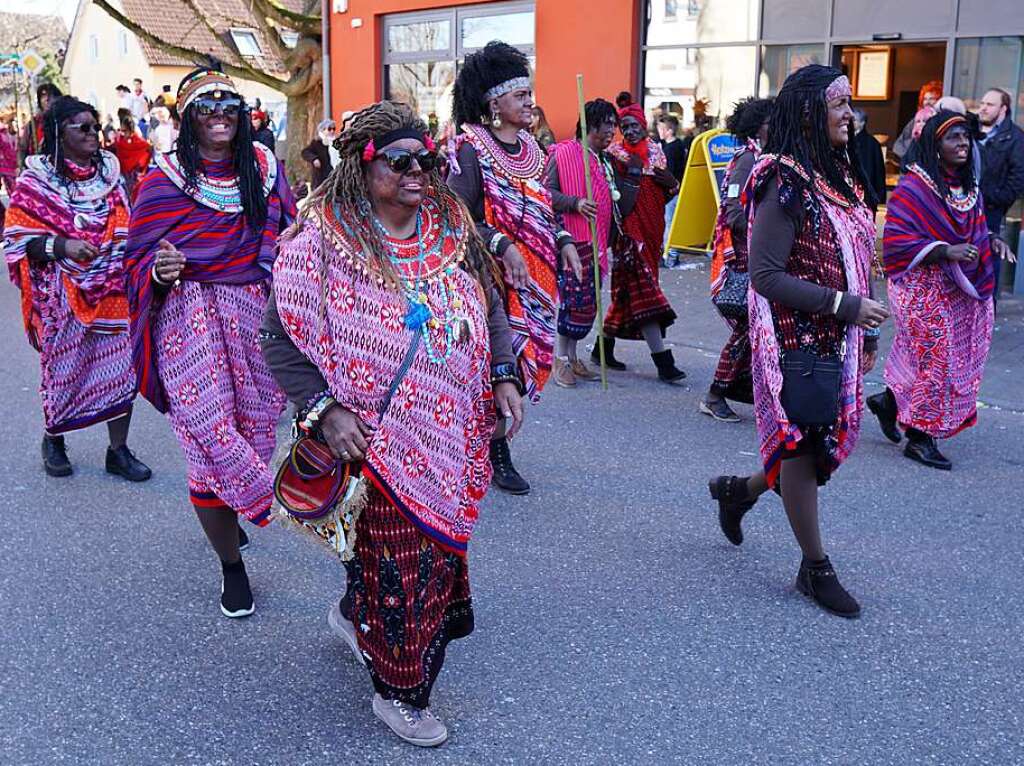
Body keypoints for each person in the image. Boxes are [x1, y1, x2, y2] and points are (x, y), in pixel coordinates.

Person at [261, 100, 521, 748]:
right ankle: (402, 694)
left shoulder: (447, 226)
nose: (418, 172)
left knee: (408, 559)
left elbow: (486, 301)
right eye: (401, 161)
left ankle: (355, 617)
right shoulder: (318, 242)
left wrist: (503, 371)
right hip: (371, 441)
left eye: (426, 160)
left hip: (450, 433)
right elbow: (279, 338)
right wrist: (324, 411)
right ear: (361, 166)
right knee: (408, 567)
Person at [707, 65, 890, 619]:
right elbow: (765, 275)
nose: (848, 114)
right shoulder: (780, 179)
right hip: (793, 336)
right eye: (838, 104)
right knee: (803, 444)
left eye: (849, 103)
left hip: (839, 334)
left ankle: (738, 492)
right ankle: (815, 567)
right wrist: (846, 306)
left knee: (808, 445)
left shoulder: (841, 174)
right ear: (810, 111)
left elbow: (860, 253)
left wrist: (865, 324)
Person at [124, 68, 296, 618]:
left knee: (255, 432)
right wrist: (159, 270)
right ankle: (231, 567)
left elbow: (289, 232)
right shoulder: (162, 181)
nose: (219, 110)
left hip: (254, 315)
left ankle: (234, 507)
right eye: (206, 103)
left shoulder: (266, 170)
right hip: (189, 318)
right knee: (208, 439)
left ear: (243, 114)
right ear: (186, 118)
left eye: (229, 102)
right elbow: (136, 259)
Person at [448, 40, 581, 495]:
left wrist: (562, 240)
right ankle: (495, 449)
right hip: (491, 278)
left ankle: (489, 442)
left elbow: (544, 205)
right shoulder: (471, 149)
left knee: (525, 364)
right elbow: (456, 215)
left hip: (537, 279)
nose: (530, 102)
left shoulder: (532, 147)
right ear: (494, 103)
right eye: (520, 95)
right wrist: (502, 244)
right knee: (502, 366)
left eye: (529, 94)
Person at [4, 96, 151, 481]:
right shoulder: (37, 181)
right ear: (59, 133)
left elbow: (127, 221)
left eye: (94, 126)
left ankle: (118, 451)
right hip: (61, 293)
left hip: (113, 288)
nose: (92, 134)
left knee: (123, 369)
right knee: (62, 368)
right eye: (82, 127)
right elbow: (18, 239)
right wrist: (62, 246)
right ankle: (54, 438)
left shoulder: (109, 174)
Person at [868, 111, 1007, 471]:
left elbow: (969, 229)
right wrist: (945, 250)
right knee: (938, 358)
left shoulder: (967, 187)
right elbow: (896, 241)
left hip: (955, 286)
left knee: (933, 359)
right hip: (919, 286)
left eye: (965, 136)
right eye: (952, 137)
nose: (962, 143)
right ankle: (919, 436)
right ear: (934, 144)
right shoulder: (915, 187)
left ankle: (889, 403)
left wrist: (990, 240)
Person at [592, 96, 685, 382]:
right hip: (629, 233)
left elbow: (664, 195)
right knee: (645, 290)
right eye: (625, 126)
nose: (629, 131)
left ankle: (602, 350)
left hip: (653, 230)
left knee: (625, 293)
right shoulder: (615, 154)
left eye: (634, 125)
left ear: (644, 126)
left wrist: (672, 184)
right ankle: (663, 362)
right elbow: (611, 194)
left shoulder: (657, 152)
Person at [544, 98, 636, 387]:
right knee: (572, 303)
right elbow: (544, 194)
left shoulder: (605, 160)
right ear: (589, 125)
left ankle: (572, 358)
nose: (612, 132)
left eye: (614, 126)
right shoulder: (561, 153)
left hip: (597, 246)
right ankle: (559, 360)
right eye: (606, 125)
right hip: (573, 240)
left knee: (587, 306)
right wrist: (575, 203)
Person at [702, 96, 773, 423]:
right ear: (758, 127)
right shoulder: (747, 160)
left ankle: (742, 390)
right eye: (771, 121)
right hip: (745, 260)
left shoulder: (766, 159)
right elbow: (734, 211)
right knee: (747, 328)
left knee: (759, 330)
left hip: (760, 257)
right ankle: (716, 394)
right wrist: (760, 240)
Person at [977, 87, 1024, 243]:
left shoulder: (1016, 138)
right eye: (982, 103)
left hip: (991, 215)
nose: (983, 108)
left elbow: (1018, 179)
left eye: (990, 105)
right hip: (963, 210)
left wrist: (993, 199)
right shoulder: (970, 131)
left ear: (1003, 108)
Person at [657, 114, 686, 258]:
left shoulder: (669, 149)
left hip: (672, 191)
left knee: (669, 222)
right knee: (672, 221)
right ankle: (671, 252)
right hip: (678, 189)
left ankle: (668, 254)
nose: (659, 132)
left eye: (661, 129)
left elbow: (668, 171)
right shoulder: (679, 145)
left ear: (669, 131)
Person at [893, 80, 942, 161]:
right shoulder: (915, 120)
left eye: (932, 98)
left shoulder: (941, 121)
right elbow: (898, 144)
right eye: (925, 99)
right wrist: (910, 156)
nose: (927, 102)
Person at [18, 83, 62, 166]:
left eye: (51, 95)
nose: (47, 99)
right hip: (38, 165)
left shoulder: (65, 120)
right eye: (43, 96)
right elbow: (23, 148)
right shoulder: (33, 124)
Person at [851, 108, 886, 207]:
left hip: (867, 194)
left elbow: (879, 171)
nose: (849, 123)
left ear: (862, 123)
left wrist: (879, 196)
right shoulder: (845, 140)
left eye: (853, 120)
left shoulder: (872, 143)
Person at [111, 115, 151, 201]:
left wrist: (140, 165)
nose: (123, 133)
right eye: (121, 130)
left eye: (125, 131)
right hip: (122, 173)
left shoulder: (138, 142)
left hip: (134, 174)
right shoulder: (119, 141)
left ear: (131, 130)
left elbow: (146, 149)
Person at [301, 118, 338, 188]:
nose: (332, 131)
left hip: (334, 174)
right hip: (321, 177)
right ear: (322, 130)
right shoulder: (316, 142)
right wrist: (314, 159)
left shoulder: (336, 142)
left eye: (334, 129)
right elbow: (305, 152)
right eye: (329, 129)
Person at [0, 114, 17, 196]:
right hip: (6, 166)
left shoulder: (13, 132)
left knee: (14, 189)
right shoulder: (2, 133)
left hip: (13, 165)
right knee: (12, 189)